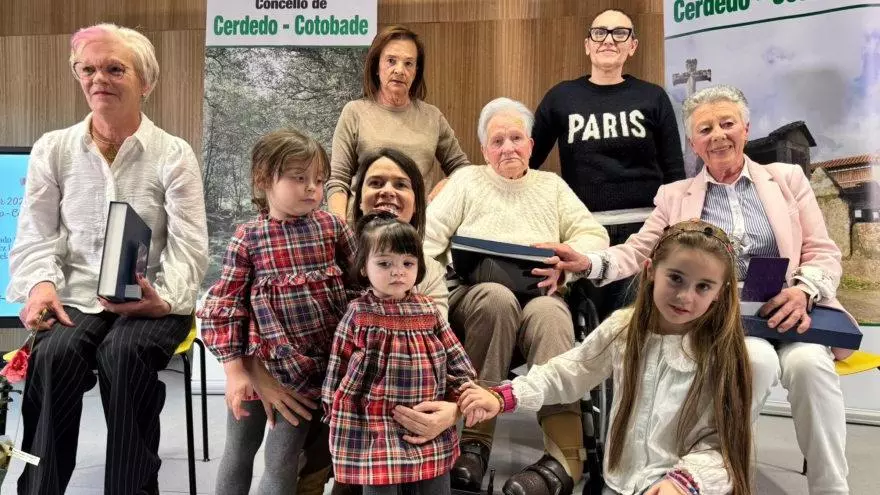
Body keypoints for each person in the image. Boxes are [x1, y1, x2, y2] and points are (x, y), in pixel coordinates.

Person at [544, 84, 852, 494]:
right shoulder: (675, 197)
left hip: (793, 310)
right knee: (754, 362)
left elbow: (822, 250)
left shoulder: (787, 179)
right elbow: (639, 251)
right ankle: (721, 478)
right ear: (693, 143)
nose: (718, 135)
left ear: (745, 129)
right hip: (725, 322)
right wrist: (588, 263)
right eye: (705, 129)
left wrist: (803, 291)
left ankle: (832, 489)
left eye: (727, 124)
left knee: (811, 366)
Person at [5, 23, 208, 494]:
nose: (98, 79)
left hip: (154, 296)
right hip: (76, 294)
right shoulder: (53, 149)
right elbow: (35, 233)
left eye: (115, 69)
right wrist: (41, 285)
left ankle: (131, 488)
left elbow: (189, 246)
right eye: (88, 69)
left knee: (124, 354)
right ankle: (38, 488)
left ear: (145, 82)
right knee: (53, 357)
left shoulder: (173, 154)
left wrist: (164, 300)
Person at [458, 220, 753, 495]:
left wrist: (683, 482)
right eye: (675, 278)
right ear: (650, 270)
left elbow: (723, 447)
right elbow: (570, 371)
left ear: (720, 291)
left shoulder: (723, 353)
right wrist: (505, 396)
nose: (685, 296)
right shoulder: (623, 329)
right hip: (619, 484)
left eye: (703, 286)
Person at [424, 97, 609, 495]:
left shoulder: (551, 186)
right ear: (484, 150)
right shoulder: (467, 182)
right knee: (496, 298)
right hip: (476, 302)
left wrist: (567, 262)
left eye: (516, 138)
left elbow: (594, 235)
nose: (507, 147)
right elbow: (427, 243)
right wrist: (434, 297)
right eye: (497, 141)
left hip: (539, 297)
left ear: (530, 144)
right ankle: (474, 442)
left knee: (551, 313)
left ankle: (565, 455)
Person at [197, 129, 357, 494]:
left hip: (308, 377)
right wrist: (236, 372)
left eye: (319, 180)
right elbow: (225, 306)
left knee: (282, 457)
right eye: (299, 178)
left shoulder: (333, 228)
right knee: (239, 450)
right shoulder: (248, 238)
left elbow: (360, 285)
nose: (312, 188)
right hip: (259, 366)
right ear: (263, 179)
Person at [529, 8, 685, 321]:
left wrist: (676, 232)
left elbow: (675, 174)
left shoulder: (653, 97)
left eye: (620, 33)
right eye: (600, 32)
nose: (609, 40)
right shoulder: (561, 97)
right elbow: (527, 163)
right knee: (590, 328)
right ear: (587, 44)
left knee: (636, 324)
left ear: (633, 46)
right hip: (585, 232)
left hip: (645, 231)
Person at [322, 213, 477, 495]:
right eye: (384, 263)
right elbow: (338, 363)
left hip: (426, 420)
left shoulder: (429, 310)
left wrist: (462, 392)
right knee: (379, 488)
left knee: (436, 486)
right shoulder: (358, 312)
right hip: (372, 424)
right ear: (364, 267)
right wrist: (332, 407)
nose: (398, 272)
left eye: (408, 263)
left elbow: (456, 357)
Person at [327, 24, 471, 223]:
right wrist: (340, 227)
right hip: (362, 228)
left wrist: (447, 184)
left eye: (408, 63)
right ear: (376, 66)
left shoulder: (432, 116)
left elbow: (463, 170)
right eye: (391, 61)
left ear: (416, 71)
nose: (400, 70)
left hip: (414, 229)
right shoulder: (354, 112)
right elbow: (338, 180)